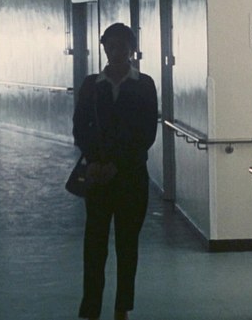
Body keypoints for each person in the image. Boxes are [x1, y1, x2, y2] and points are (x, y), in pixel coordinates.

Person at [72, 23, 158, 320]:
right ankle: (91, 308)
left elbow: (147, 132)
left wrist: (117, 165)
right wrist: (95, 162)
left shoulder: (144, 84)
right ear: (104, 49)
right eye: (110, 46)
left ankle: (122, 308)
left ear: (131, 49)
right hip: (97, 176)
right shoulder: (91, 85)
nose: (116, 51)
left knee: (127, 244)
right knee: (94, 245)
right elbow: (80, 127)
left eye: (122, 46)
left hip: (131, 177)